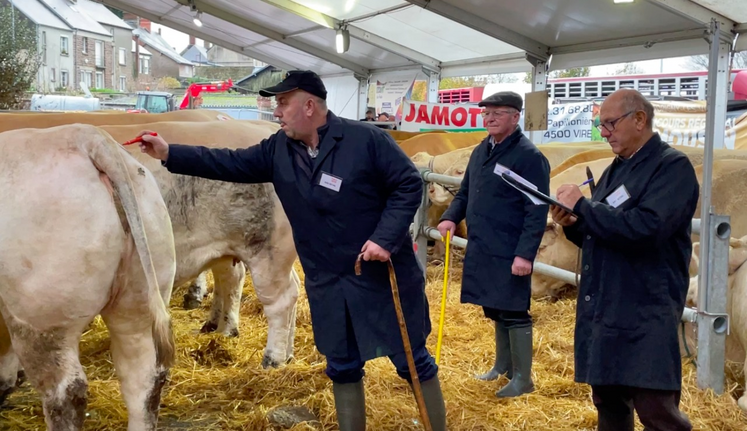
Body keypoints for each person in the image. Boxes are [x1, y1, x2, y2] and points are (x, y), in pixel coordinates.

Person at [136, 70, 446, 431]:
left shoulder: (366, 140)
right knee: (342, 365)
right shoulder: (278, 148)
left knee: (411, 360)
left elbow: (408, 184)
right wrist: (170, 153)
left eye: (283, 102)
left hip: (380, 275)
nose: (276, 110)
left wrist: (385, 238)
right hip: (327, 279)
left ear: (310, 105)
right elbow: (229, 162)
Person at [550, 89, 698, 431]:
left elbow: (648, 228)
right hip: (607, 304)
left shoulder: (671, 167)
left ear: (640, 120)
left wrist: (585, 207)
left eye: (610, 124)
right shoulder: (617, 169)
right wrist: (574, 223)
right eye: (601, 126)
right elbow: (604, 227)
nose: (604, 133)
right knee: (609, 401)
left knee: (656, 409)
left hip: (645, 306)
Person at [437, 91, 550, 398]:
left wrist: (525, 254)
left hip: (510, 247)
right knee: (496, 308)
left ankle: (523, 378)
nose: (489, 118)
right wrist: (450, 217)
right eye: (486, 113)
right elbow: (465, 191)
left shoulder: (529, 157)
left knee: (514, 310)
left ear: (515, 117)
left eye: (497, 113)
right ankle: (504, 367)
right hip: (484, 244)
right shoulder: (481, 150)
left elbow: (536, 208)